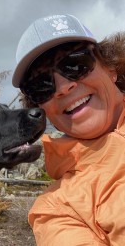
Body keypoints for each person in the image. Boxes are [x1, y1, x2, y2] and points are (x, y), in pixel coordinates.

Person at [12, 14, 125, 245]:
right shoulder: (58, 211)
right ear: (41, 108)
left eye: (75, 63)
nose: (63, 87)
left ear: (111, 67)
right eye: (41, 85)